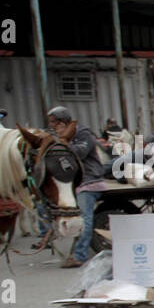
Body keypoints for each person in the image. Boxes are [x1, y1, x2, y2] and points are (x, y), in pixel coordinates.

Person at [46, 106, 110, 269]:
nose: (52, 126)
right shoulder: (59, 135)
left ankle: (80, 256)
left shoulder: (83, 133)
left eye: (54, 122)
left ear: (63, 122)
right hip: (74, 182)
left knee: (85, 218)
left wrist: (63, 140)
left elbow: (79, 153)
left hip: (89, 181)